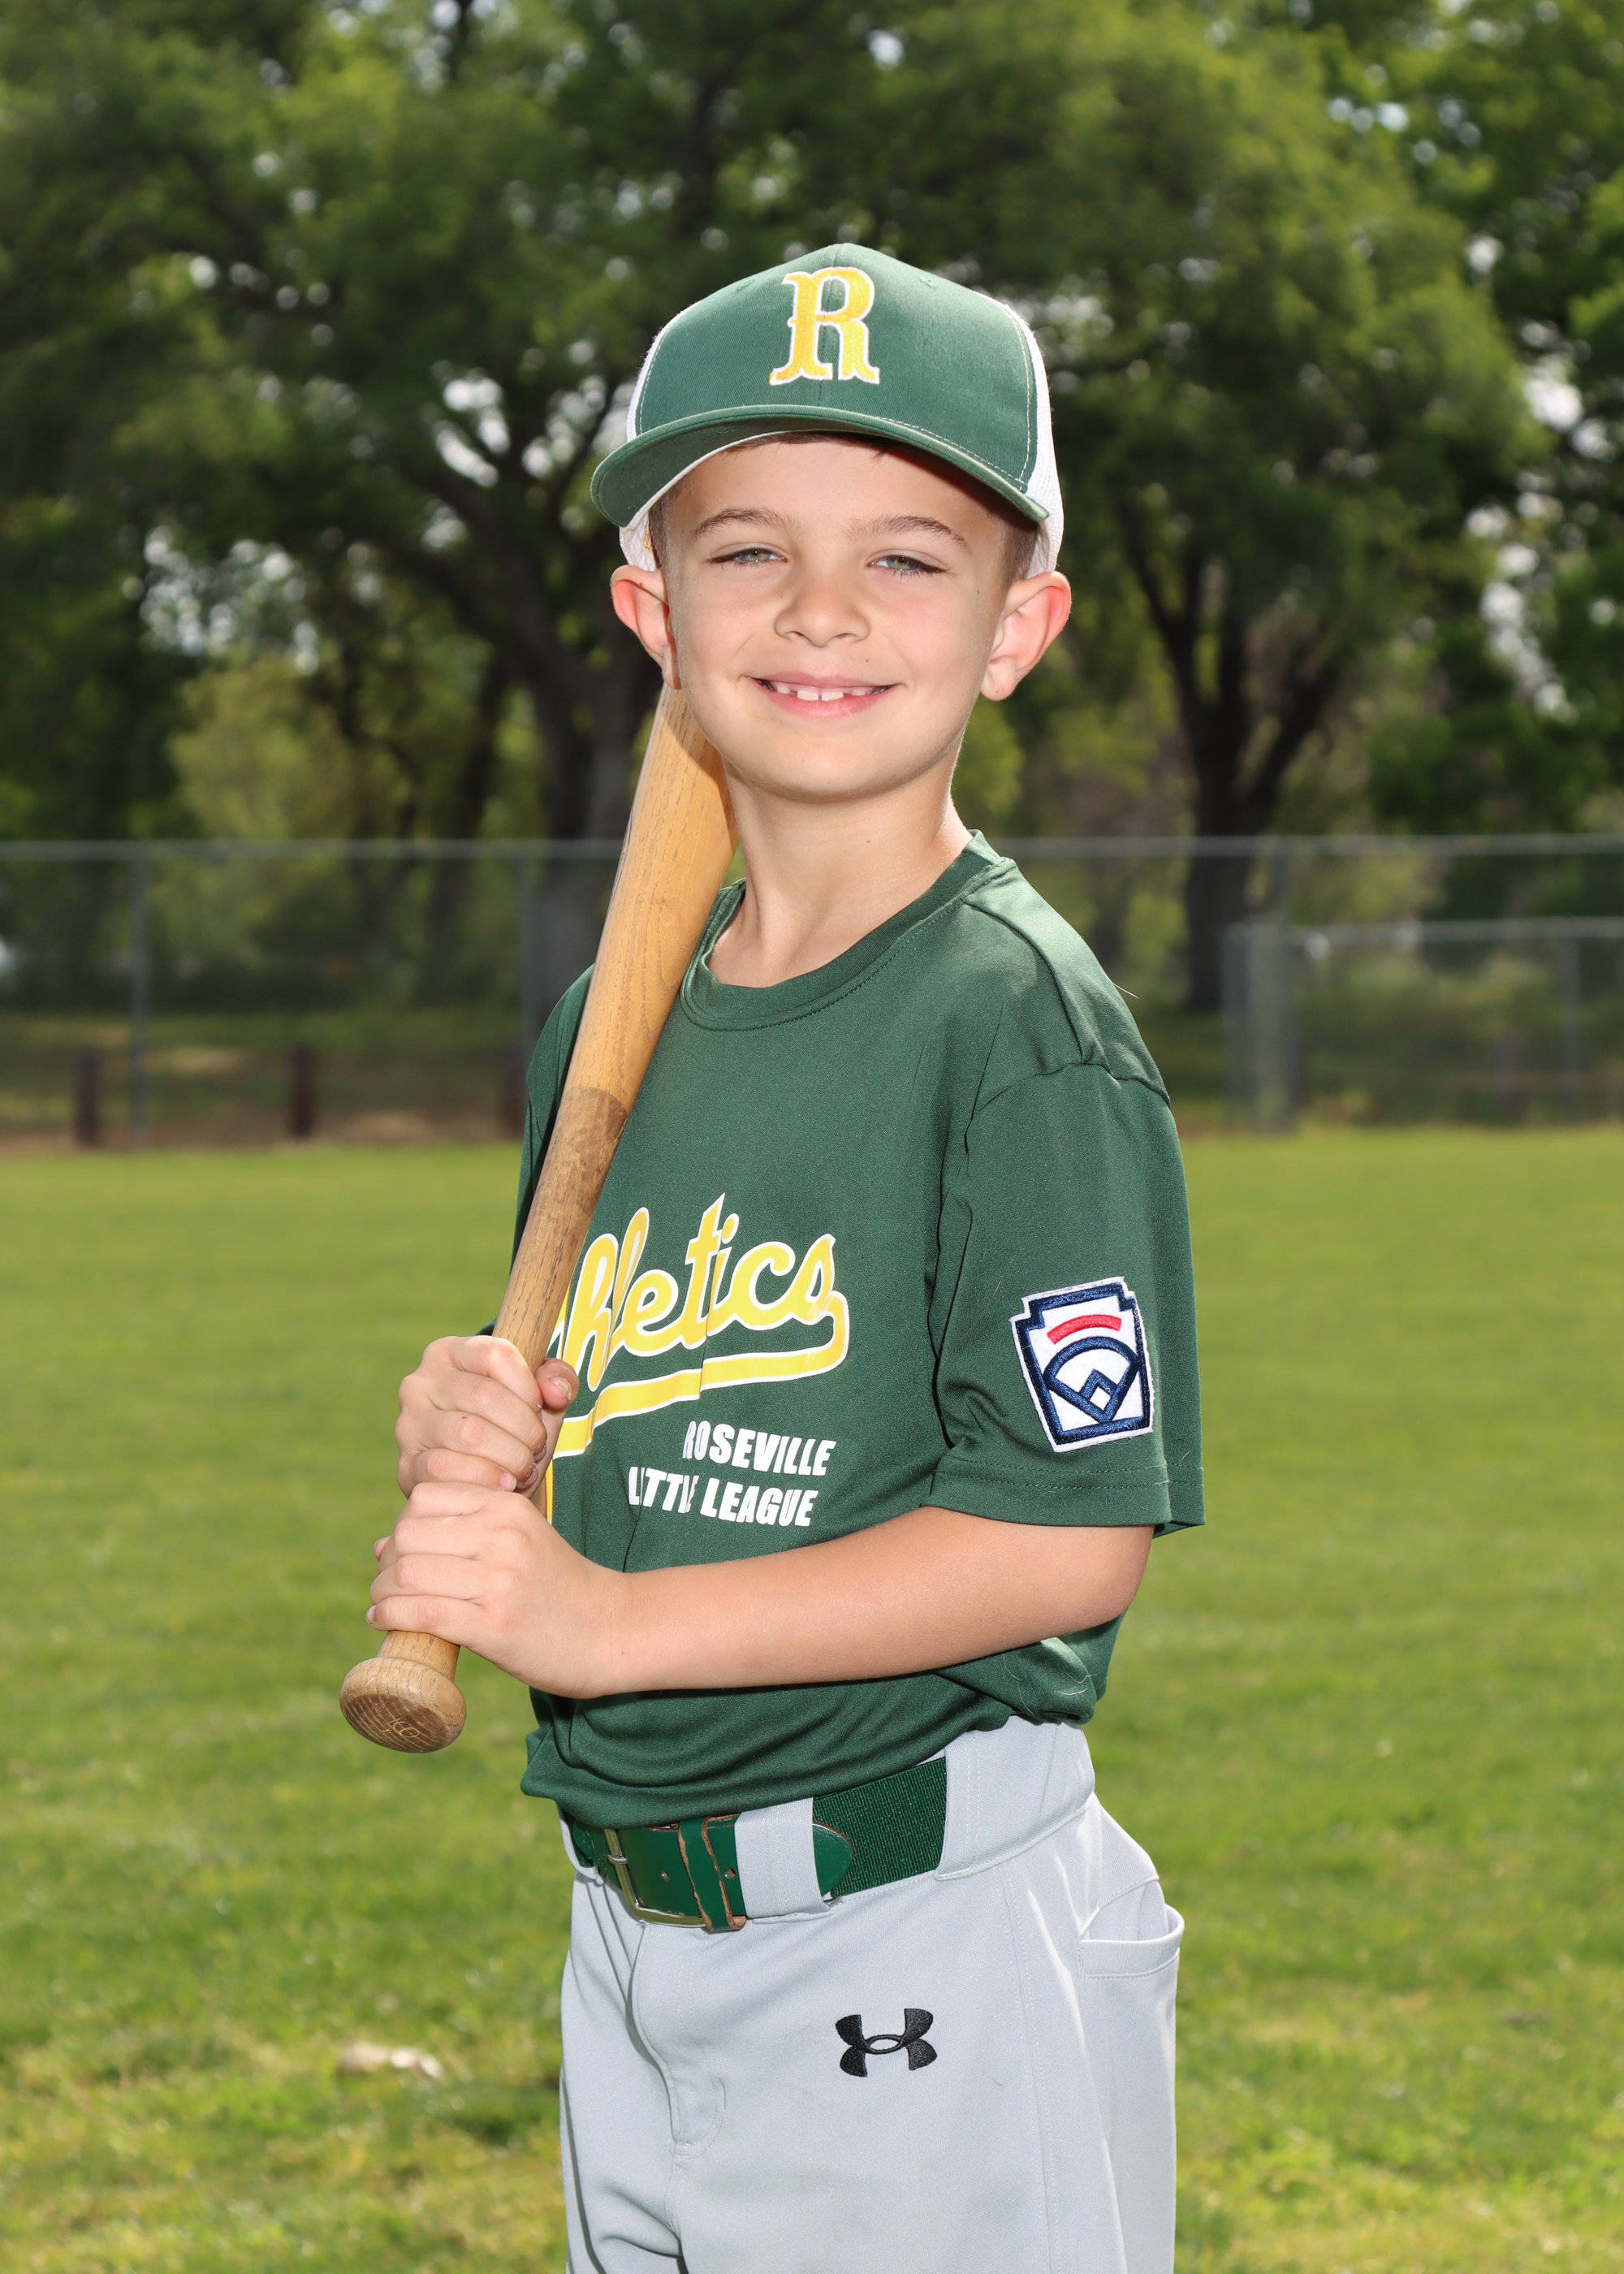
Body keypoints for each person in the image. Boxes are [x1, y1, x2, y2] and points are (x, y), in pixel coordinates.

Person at [369, 244, 1203, 2274]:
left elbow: (1063, 1538)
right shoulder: (614, 1019)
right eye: (748, 549)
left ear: (1018, 626)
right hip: (633, 1930)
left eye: (908, 557)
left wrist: (600, 1621)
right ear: (656, 613)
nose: (823, 609)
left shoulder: (1018, 1025)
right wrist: (489, 1420)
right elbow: (637, 1410)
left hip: (915, 1938)